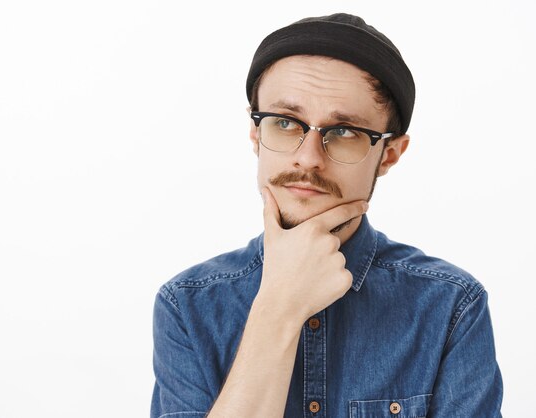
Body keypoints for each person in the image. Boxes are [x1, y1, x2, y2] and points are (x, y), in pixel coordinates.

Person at [150, 13, 503, 418]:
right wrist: (278, 308)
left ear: (389, 154)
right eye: (285, 123)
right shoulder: (188, 306)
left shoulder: (451, 306)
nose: (308, 158)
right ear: (255, 135)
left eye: (345, 132)